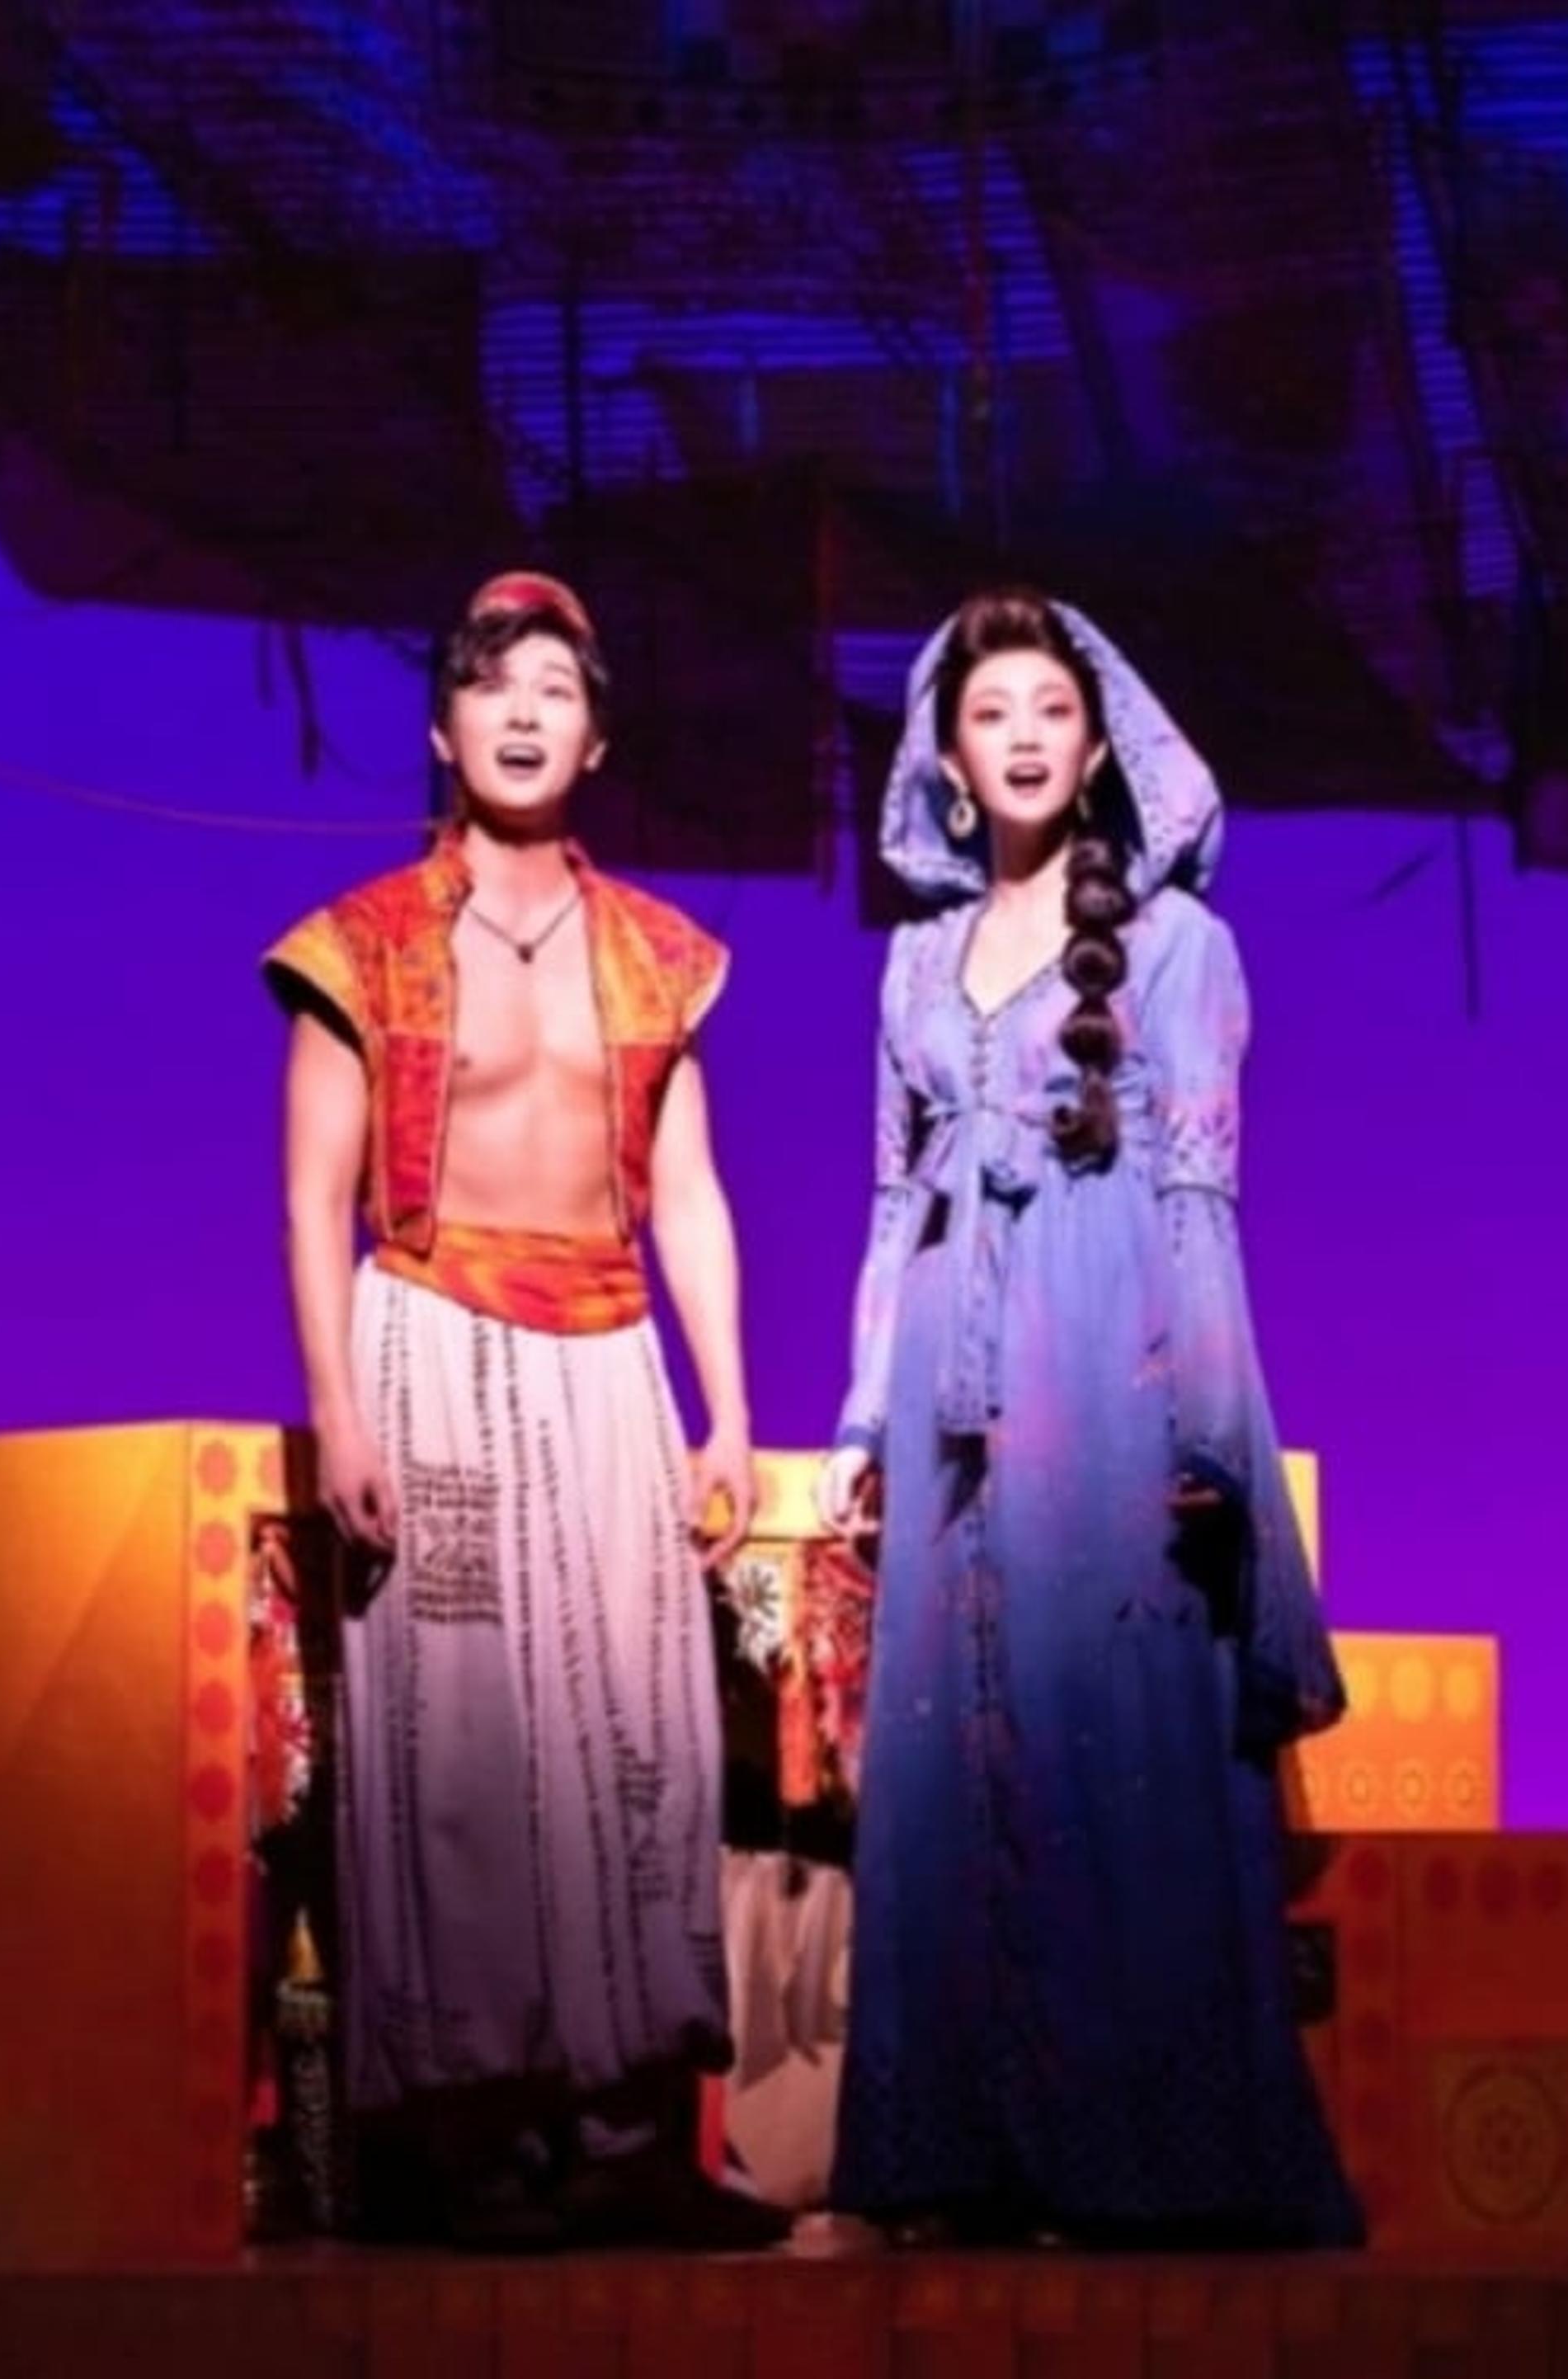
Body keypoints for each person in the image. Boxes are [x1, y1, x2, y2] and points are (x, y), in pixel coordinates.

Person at [814, 587, 1363, 2249]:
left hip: (1106, 1355)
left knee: (1101, 1734)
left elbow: (1199, 1197)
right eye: (993, 714)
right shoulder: (913, 963)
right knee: (952, 1745)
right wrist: (862, 1420)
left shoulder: (1183, 946)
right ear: (948, 760)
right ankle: (967, 2150)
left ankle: (1143, 2152)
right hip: (947, 1376)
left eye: (1053, 709)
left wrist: (1207, 1428)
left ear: (1101, 742)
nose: (1026, 736)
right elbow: (892, 1200)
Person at [264, 570, 792, 2253]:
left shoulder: (658, 954)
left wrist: (729, 1409)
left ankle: (633, 2132)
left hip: (610, 1354)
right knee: (464, 1745)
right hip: (432, 1337)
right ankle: (471, 2136)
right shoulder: (361, 943)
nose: (523, 712)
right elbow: (314, 1194)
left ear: (597, 737)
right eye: (494, 684)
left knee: (641, 1736)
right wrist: (338, 1410)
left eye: (555, 687)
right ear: (443, 727)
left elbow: (690, 1196)